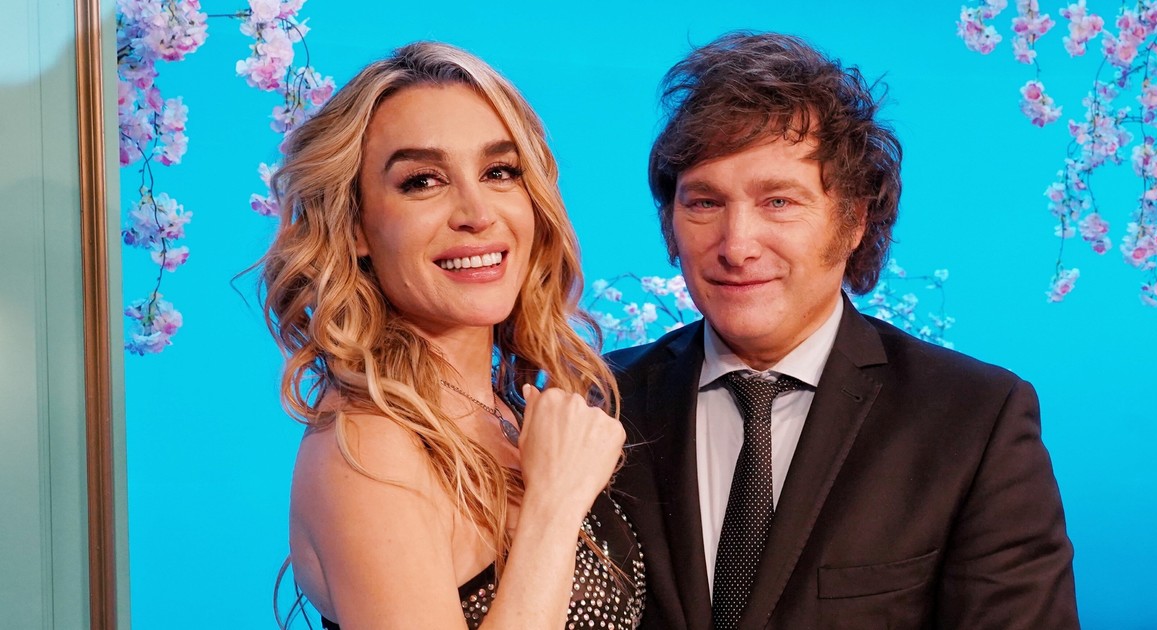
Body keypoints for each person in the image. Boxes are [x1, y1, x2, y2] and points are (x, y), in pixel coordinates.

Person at [608, 32, 1079, 629]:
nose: (737, 246)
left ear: (854, 219)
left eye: (779, 202)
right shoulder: (602, 399)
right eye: (704, 203)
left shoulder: (975, 420)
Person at [259, 42, 644, 629]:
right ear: (356, 226)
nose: (477, 212)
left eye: (499, 172)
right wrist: (555, 503)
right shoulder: (369, 447)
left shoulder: (501, 409)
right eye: (422, 181)